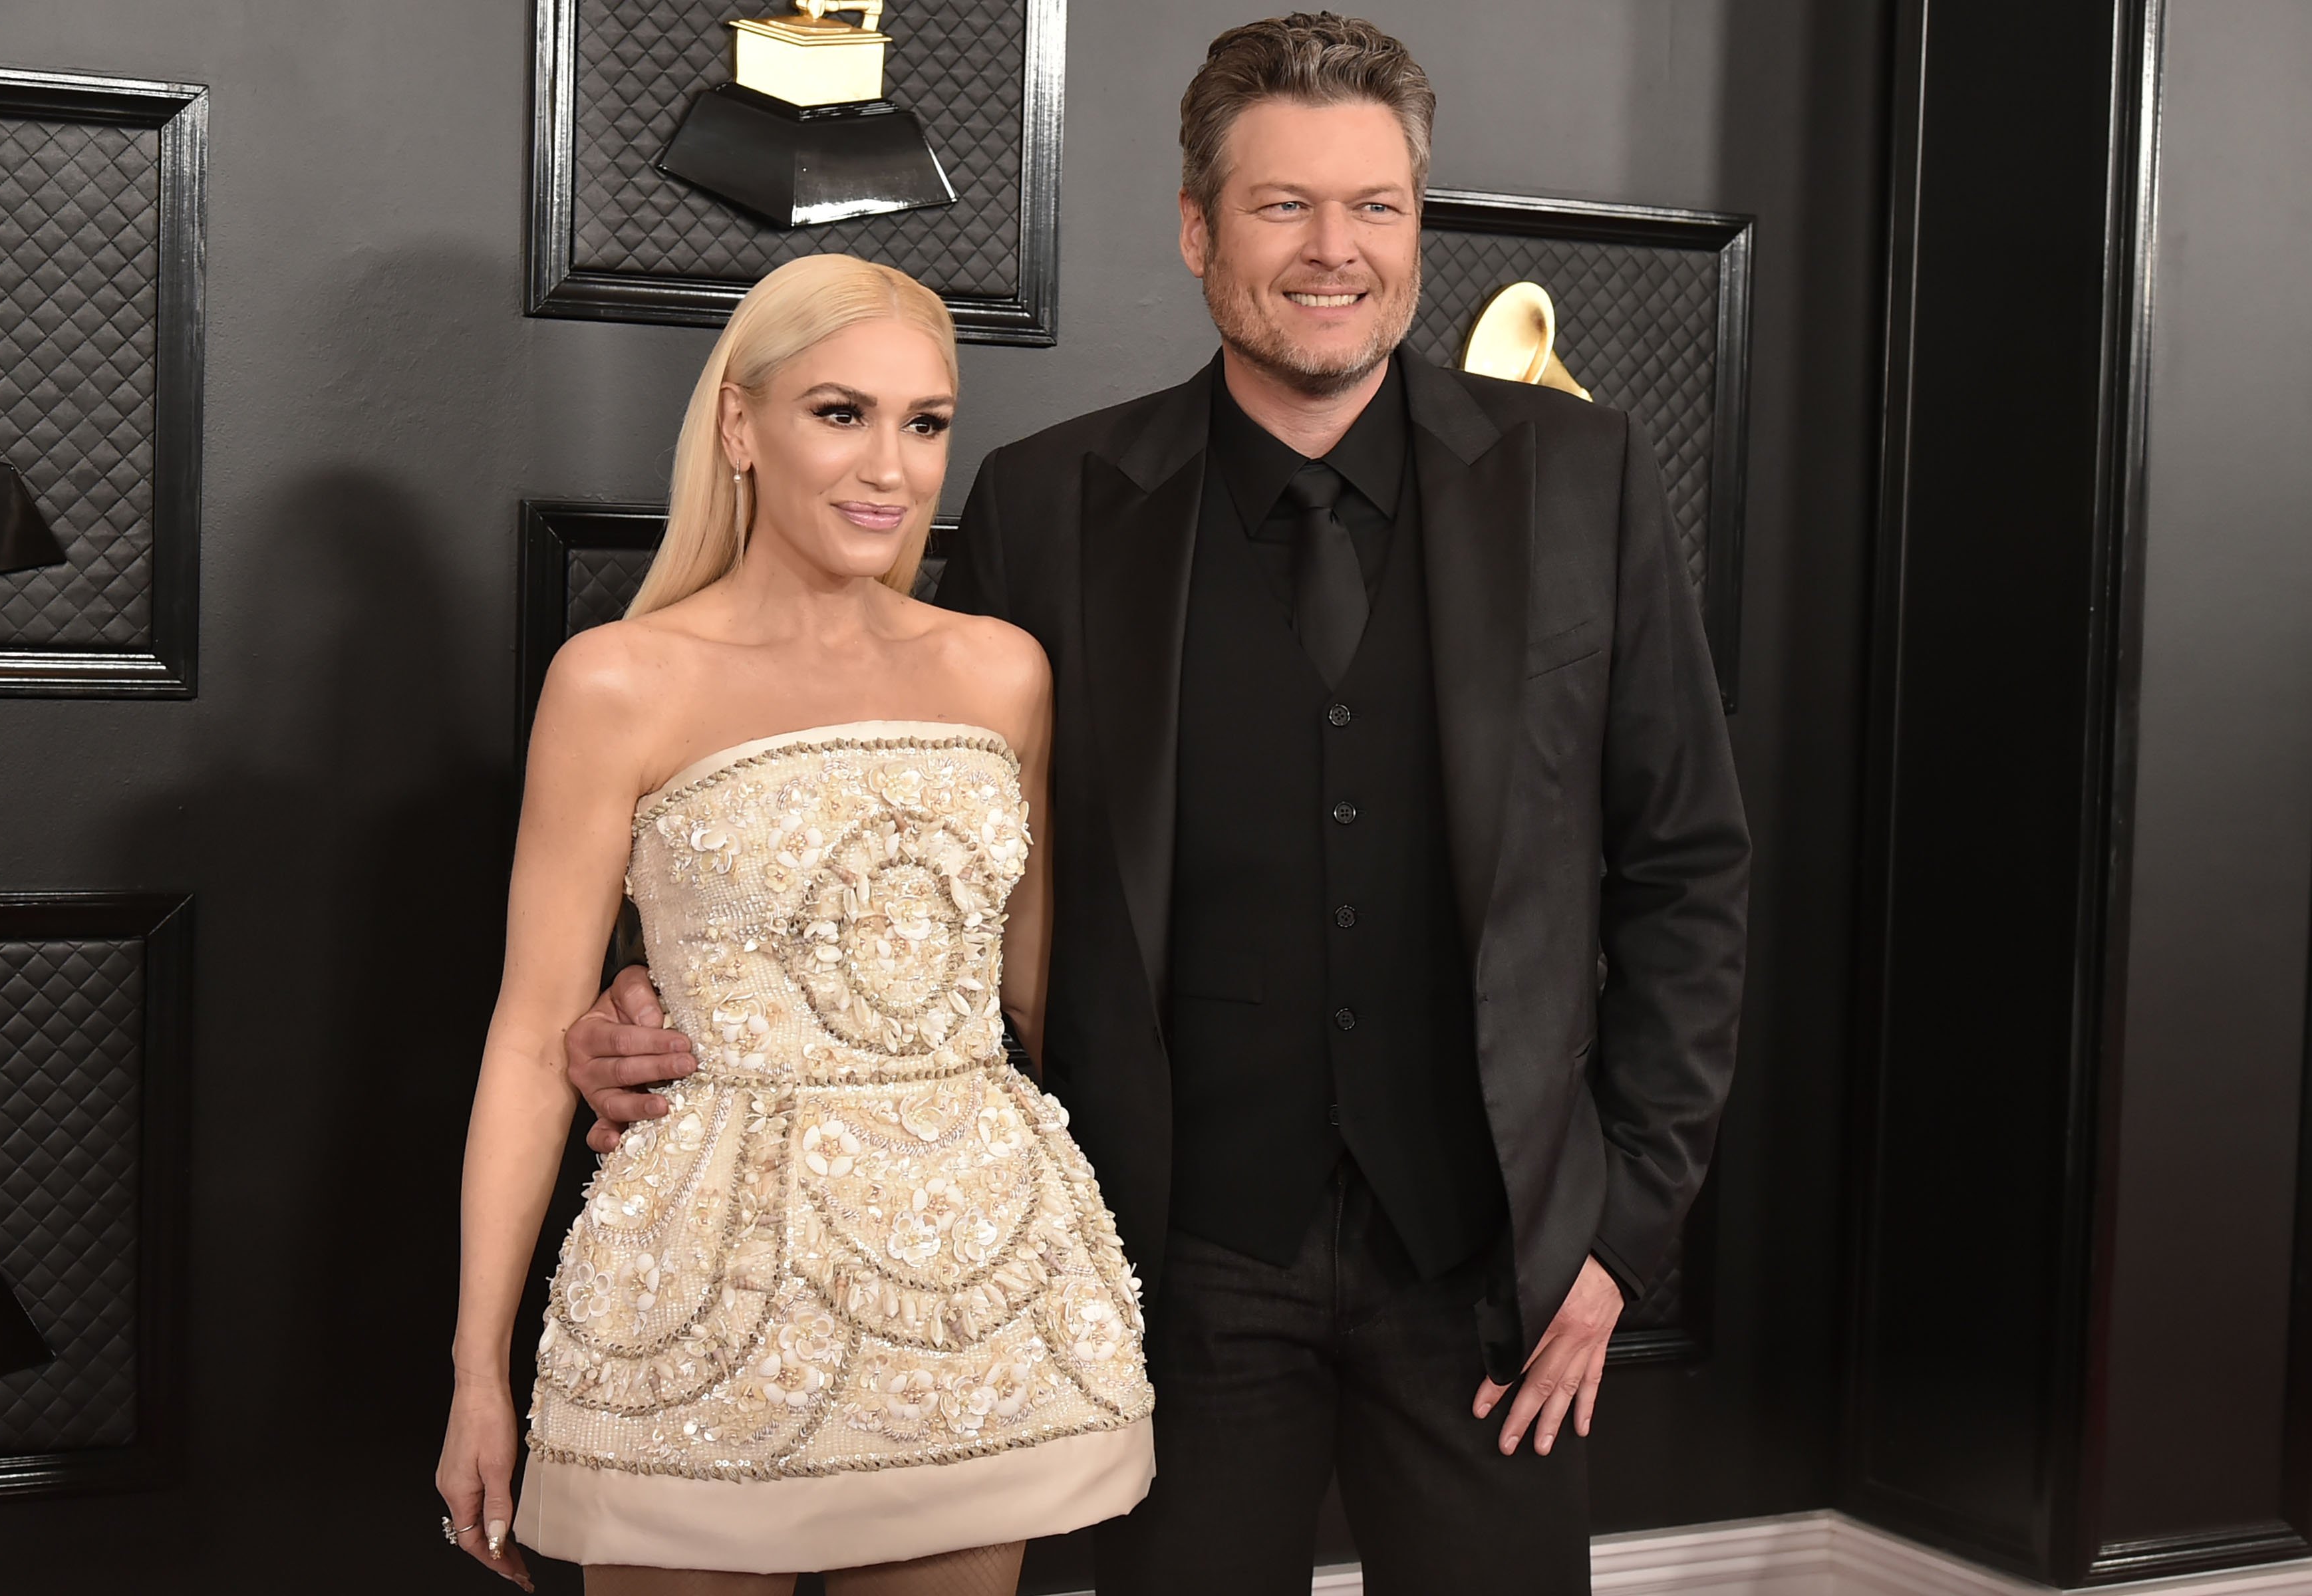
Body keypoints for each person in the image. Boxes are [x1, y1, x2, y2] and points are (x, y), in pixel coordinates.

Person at [567, 14, 1749, 1593]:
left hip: (1493, 1268)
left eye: (1377, 207)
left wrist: (1621, 1230)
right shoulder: (1050, 504)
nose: (1335, 251)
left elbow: (1686, 862)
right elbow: (886, 843)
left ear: (1417, 226)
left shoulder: (1581, 476)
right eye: (1282, 207)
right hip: (1162, 1262)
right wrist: (654, 1000)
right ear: (1198, 228)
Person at [438, 253, 1155, 1596]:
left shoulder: (1002, 673)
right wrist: (478, 1369)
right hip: (695, 1318)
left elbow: (1056, 1004)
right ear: (738, 425)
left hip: (977, 1303)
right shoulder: (618, 685)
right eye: (841, 413)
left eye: (925, 422)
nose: (891, 466)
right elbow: (535, 1036)